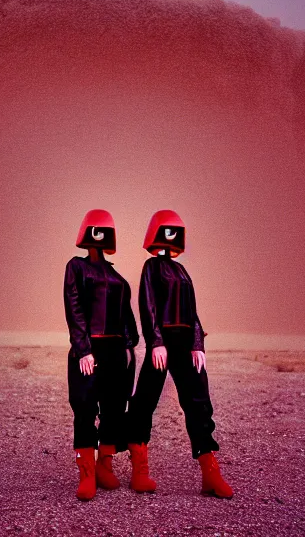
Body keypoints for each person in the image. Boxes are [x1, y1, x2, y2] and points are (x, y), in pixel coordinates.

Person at [126, 209, 233, 498]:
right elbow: (148, 306)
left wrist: (197, 343)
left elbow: (193, 312)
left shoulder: (182, 271)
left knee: (198, 401)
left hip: (185, 341)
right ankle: (139, 470)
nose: (171, 236)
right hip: (163, 341)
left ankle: (210, 472)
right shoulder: (151, 268)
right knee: (145, 399)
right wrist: (156, 341)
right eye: (167, 231)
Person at [64, 209, 139, 500]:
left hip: (117, 350)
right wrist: (83, 349)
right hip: (90, 348)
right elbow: (74, 307)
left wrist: (131, 345)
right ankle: (87, 473)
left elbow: (126, 314)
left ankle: (104, 464)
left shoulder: (115, 274)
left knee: (114, 408)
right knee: (84, 409)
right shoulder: (76, 267)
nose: (99, 236)